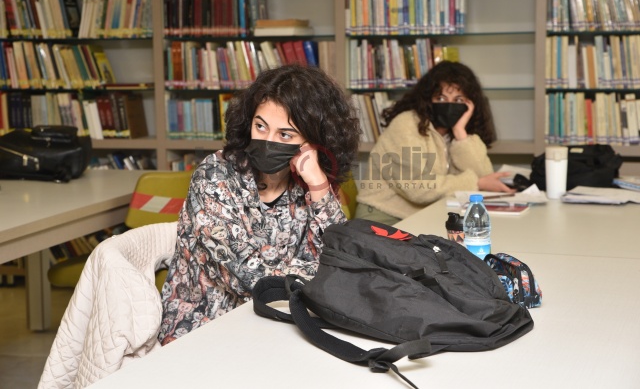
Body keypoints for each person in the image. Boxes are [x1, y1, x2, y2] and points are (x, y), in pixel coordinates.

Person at [158, 65, 361, 345]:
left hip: (283, 322)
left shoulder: (309, 181)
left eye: (285, 135)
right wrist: (308, 271)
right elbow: (251, 279)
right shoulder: (214, 176)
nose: (267, 142)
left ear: (312, 143)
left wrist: (318, 186)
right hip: (206, 326)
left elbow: (340, 260)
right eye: (260, 126)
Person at [355, 60, 515, 225]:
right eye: (441, 98)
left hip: (427, 216)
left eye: (459, 100)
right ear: (427, 99)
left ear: (471, 105)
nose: (449, 105)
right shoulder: (406, 124)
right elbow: (417, 188)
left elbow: (485, 176)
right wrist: (475, 183)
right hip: (384, 216)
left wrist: (461, 134)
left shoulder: (456, 132)